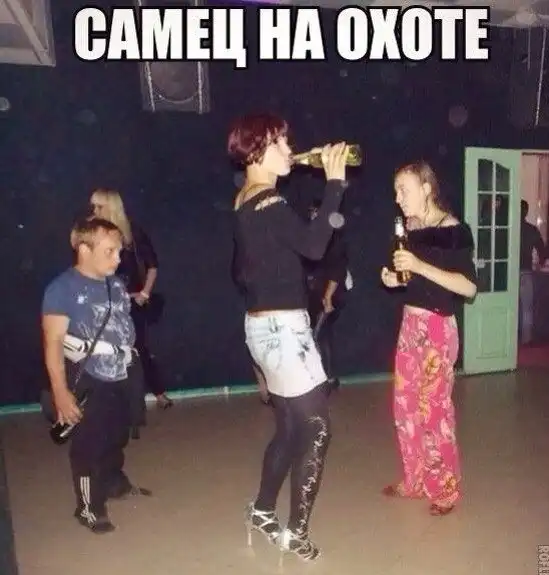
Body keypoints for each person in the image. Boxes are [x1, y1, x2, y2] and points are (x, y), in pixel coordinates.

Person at [229, 112, 349, 561]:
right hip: (282, 331)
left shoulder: (245, 199)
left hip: (262, 326)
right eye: (280, 143)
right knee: (317, 429)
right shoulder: (270, 202)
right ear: (256, 150)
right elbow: (316, 247)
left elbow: (243, 270)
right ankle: (295, 532)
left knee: (289, 429)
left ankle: (263, 510)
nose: (289, 150)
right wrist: (334, 184)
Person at [41, 217, 151, 534]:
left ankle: (114, 482)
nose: (117, 259)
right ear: (84, 249)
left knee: (117, 435)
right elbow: (53, 343)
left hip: (122, 373)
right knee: (89, 444)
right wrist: (60, 392)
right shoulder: (62, 289)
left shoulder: (114, 283)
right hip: (89, 376)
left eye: (119, 251)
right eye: (109, 251)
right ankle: (88, 506)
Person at [380, 161, 477, 516]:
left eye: (403, 190)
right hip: (411, 326)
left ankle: (446, 489)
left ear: (426, 188)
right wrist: (396, 279)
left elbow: (468, 288)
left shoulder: (454, 231)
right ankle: (415, 480)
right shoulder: (410, 228)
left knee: (434, 412)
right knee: (405, 408)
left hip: (437, 328)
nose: (398, 198)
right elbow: (413, 280)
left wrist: (419, 266)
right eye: (395, 191)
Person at [90, 189, 173, 420]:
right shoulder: (93, 234)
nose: (94, 211)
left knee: (139, 349)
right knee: (107, 350)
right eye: (93, 206)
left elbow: (152, 264)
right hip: (105, 302)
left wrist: (144, 293)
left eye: (98, 206)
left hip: (132, 301)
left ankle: (158, 392)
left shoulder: (132, 233)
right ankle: (117, 401)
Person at [304, 199, 351, 391]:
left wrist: (328, 297)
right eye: (311, 213)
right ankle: (324, 378)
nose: (313, 216)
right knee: (320, 335)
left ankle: (328, 379)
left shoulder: (333, 239)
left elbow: (337, 270)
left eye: (316, 212)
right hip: (317, 294)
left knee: (320, 335)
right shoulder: (317, 238)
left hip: (330, 295)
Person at [519, 199, 546, 345]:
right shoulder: (531, 230)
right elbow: (542, 250)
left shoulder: (508, 227)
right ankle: (526, 338)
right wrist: (540, 263)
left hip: (508, 273)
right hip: (525, 271)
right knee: (527, 309)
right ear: (526, 212)